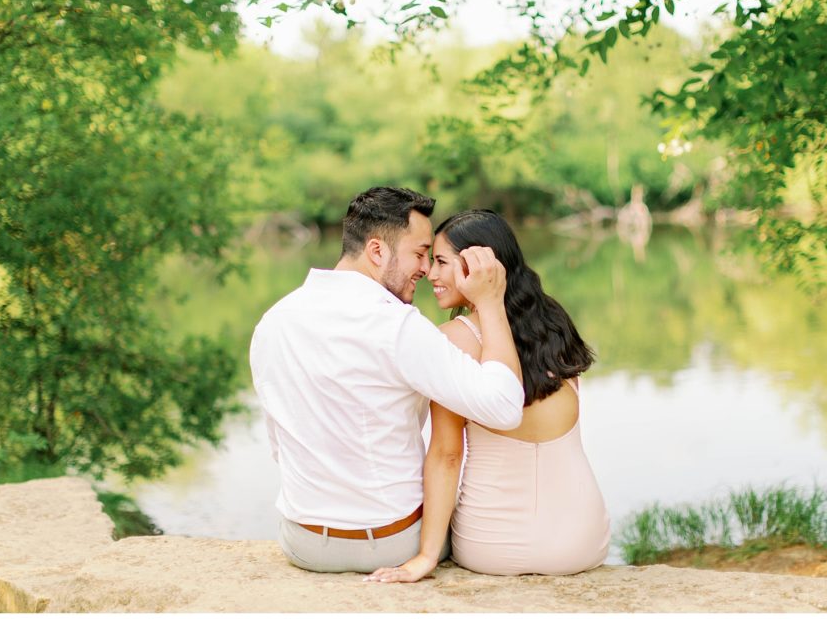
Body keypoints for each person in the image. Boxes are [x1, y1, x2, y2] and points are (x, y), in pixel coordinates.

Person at [249, 188, 525, 574]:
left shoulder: (272, 323)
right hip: (392, 544)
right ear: (377, 251)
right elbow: (505, 406)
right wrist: (492, 302)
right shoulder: (398, 326)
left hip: (304, 544)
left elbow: (280, 445)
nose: (427, 269)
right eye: (419, 253)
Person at [368, 209, 610, 582]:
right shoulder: (554, 323)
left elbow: (447, 455)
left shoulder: (453, 339)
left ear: (478, 267)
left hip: (491, 544)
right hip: (581, 541)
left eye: (442, 262)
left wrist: (426, 556)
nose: (431, 273)